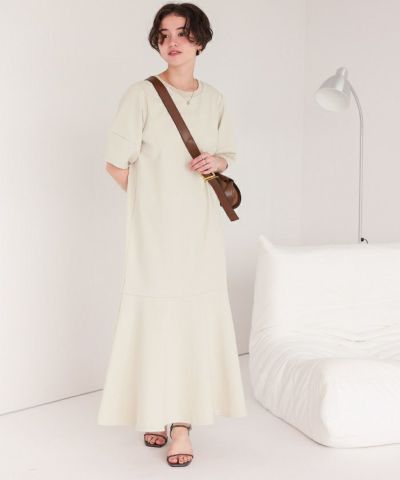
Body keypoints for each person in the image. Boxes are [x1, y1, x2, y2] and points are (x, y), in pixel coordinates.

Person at [97, 2, 247, 467]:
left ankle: (181, 424)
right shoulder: (141, 95)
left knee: (192, 318)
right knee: (156, 316)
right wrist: (153, 204)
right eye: (164, 35)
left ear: (200, 41)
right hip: (154, 236)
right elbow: (115, 164)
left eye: (182, 33)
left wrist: (217, 161)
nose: (173, 42)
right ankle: (154, 409)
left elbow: (227, 152)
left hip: (201, 233)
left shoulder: (215, 99)